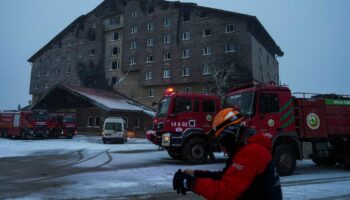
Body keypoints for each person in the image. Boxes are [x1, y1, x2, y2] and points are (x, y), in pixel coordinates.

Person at [173, 108, 282, 200]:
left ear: (232, 135)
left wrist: (191, 183)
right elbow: (226, 176)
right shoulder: (245, 150)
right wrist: (195, 174)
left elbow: (225, 192)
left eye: (222, 140)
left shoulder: (252, 152)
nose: (222, 147)